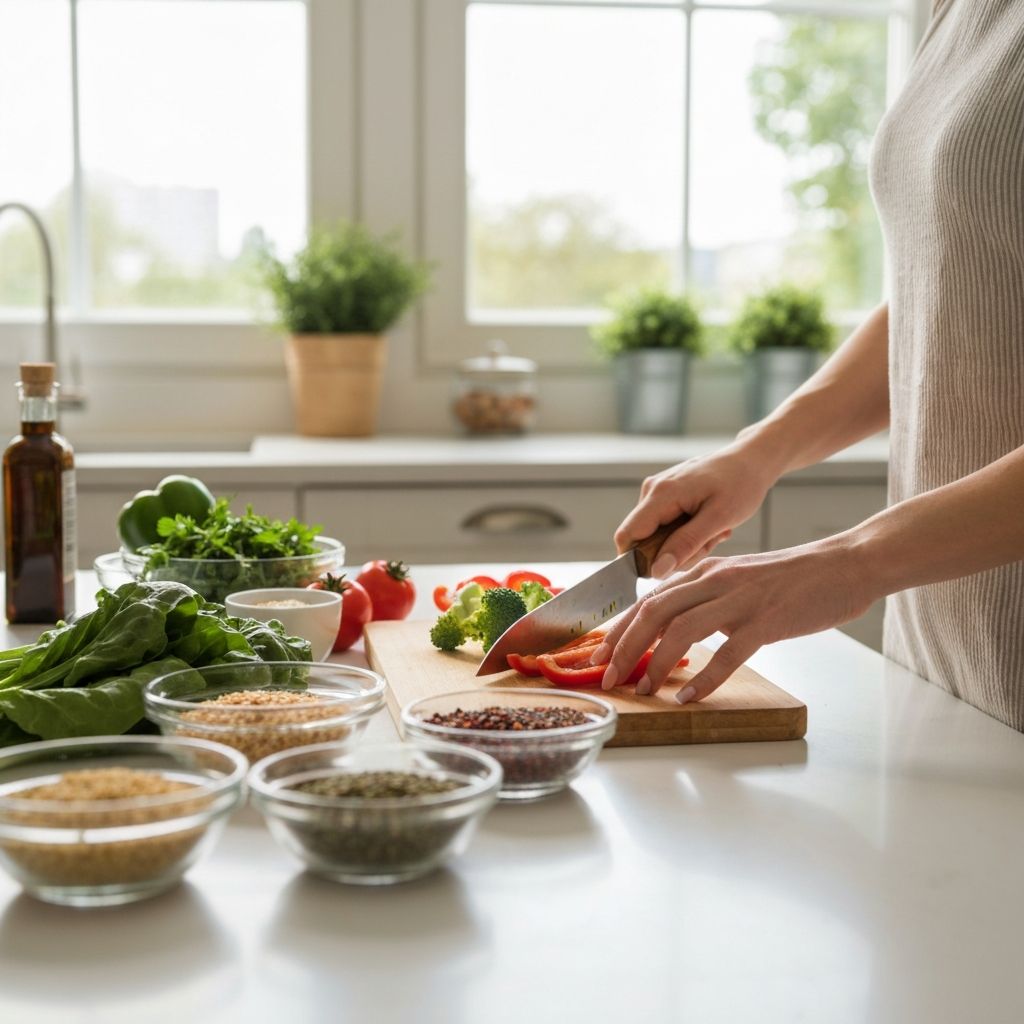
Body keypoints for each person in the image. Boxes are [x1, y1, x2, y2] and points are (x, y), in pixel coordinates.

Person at [594, 0, 1024, 731]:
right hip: (946, 664)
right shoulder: (958, 9)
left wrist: (854, 560)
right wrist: (757, 454)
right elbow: (954, 283)